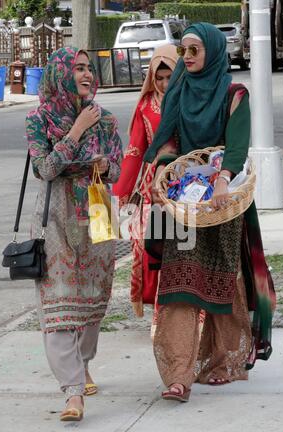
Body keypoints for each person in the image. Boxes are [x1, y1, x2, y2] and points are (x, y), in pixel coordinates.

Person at [143, 23, 276, 402]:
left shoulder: (234, 94)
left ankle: (222, 362)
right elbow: (167, 139)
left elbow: (236, 144)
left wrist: (222, 179)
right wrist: (164, 170)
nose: (186, 58)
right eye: (183, 50)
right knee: (178, 283)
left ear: (214, 51)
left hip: (221, 203)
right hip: (182, 206)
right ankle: (178, 375)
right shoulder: (180, 90)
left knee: (221, 279)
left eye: (194, 50)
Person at [26, 47, 123, 421]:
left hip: (97, 207)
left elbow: (117, 170)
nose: (86, 74)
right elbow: (46, 168)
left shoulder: (108, 119)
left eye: (88, 68)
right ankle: (72, 392)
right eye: (77, 68)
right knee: (59, 304)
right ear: (60, 74)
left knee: (94, 299)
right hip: (56, 215)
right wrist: (77, 130)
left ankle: (83, 363)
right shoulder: (38, 119)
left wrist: (105, 165)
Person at [113, 45, 178, 336]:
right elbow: (135, 150)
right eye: (159, 78)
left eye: (169, 76)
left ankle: (184, 314)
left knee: (183, 248)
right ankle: (159, 313)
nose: (164, 83)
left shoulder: (189, 100)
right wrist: (121, 191)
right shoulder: (145, 106)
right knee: (152, 248)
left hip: (185, 183)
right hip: (152, 187)